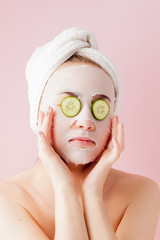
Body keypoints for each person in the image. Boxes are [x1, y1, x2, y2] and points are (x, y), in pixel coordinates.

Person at [0, 27, 160, 240]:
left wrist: (92, 193)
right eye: (70, 105)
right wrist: (64, 186)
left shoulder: (143, 192)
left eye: (99, 107)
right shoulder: (6, 197)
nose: (86, 122)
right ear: (39, 116)